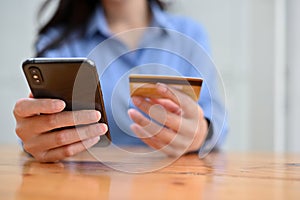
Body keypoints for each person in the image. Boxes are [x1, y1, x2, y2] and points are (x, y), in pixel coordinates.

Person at [13, 0, 228, 162]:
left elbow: (217, 119)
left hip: (175, 185)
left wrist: (200, 133)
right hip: (84, 186)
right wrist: (35, 137)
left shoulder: (190, 35)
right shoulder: (59, 43)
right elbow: (40, 129)